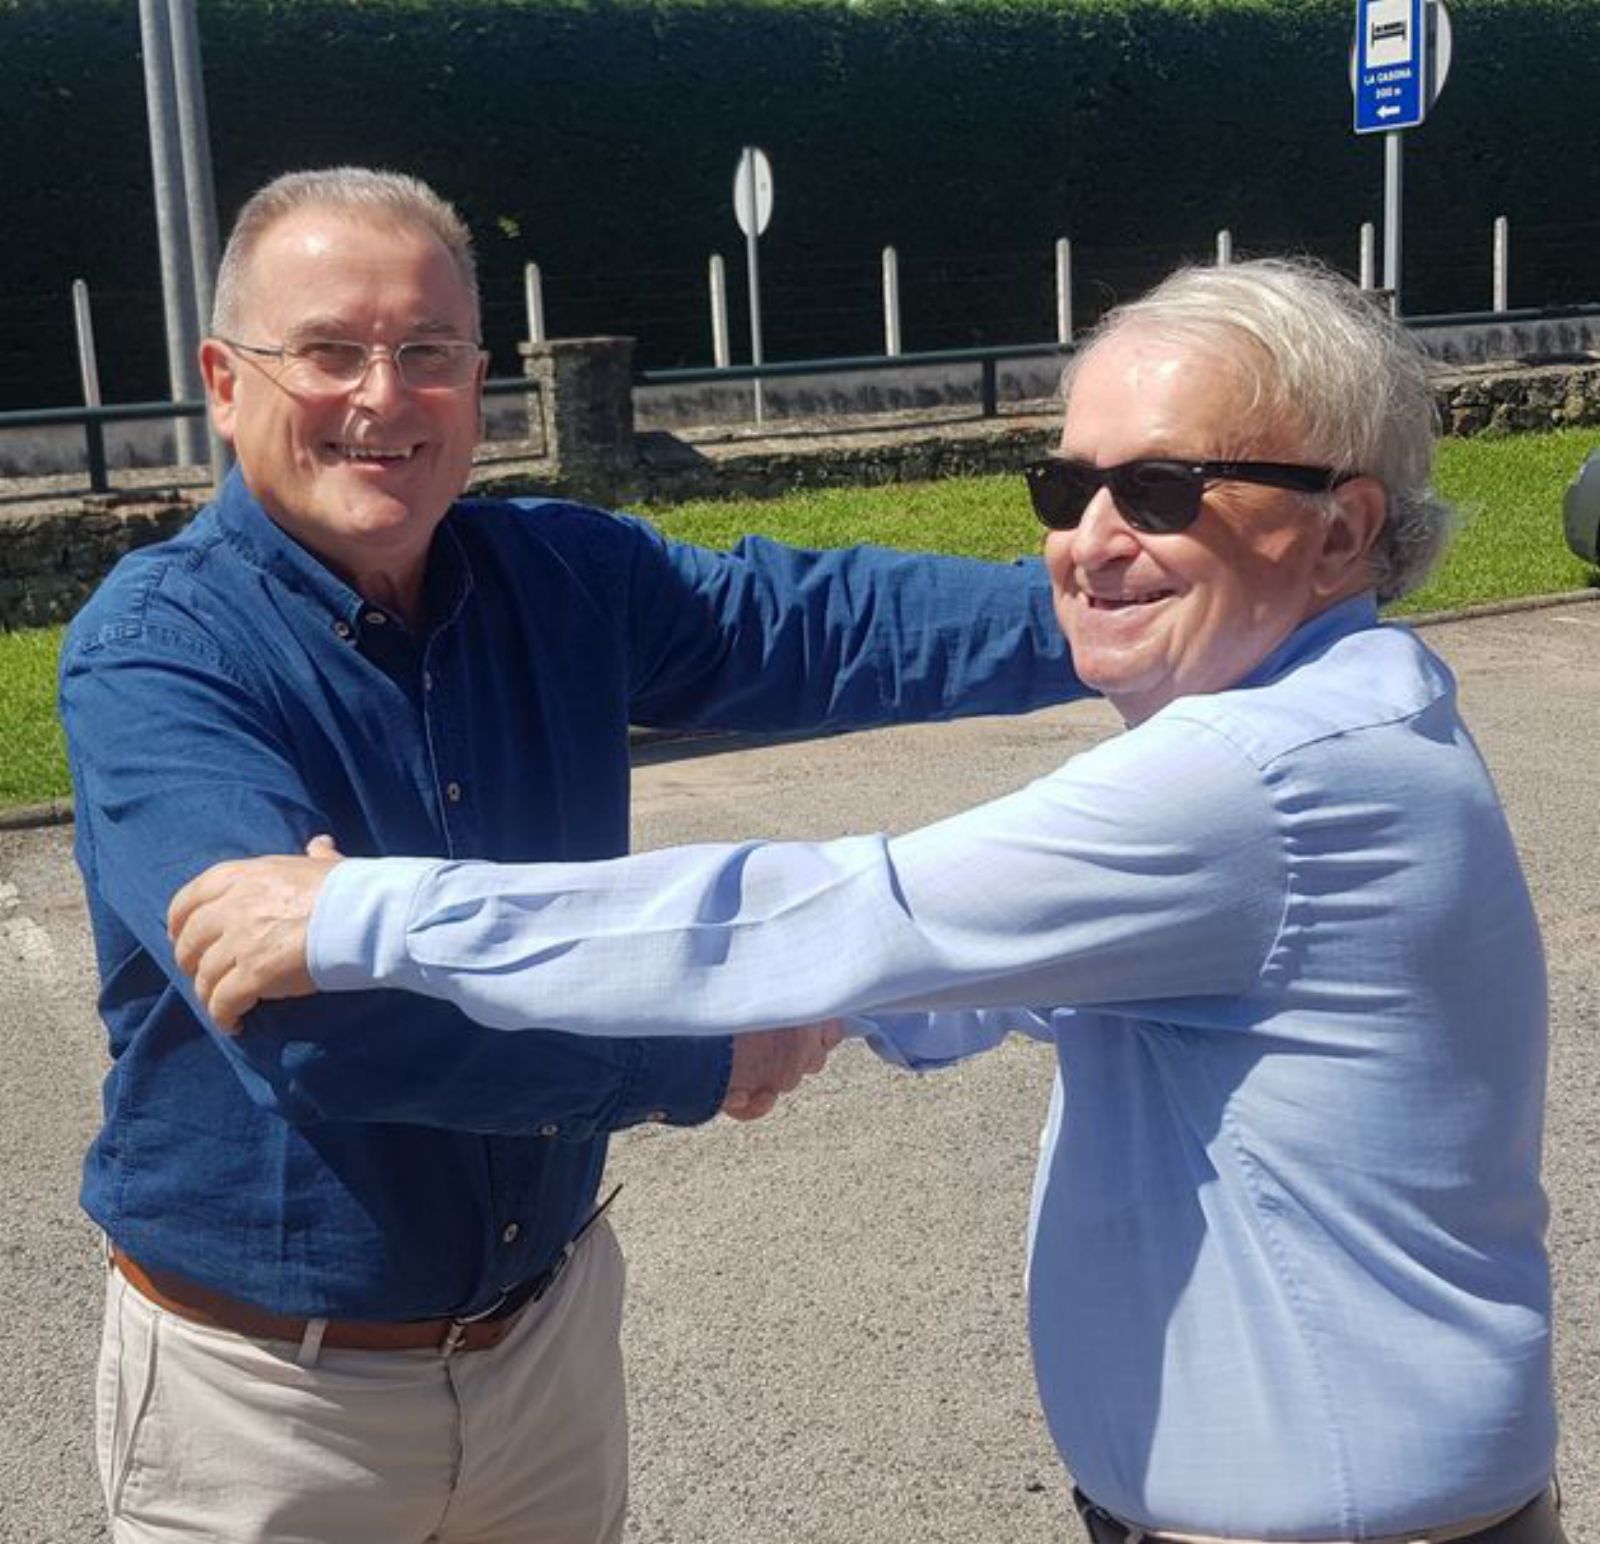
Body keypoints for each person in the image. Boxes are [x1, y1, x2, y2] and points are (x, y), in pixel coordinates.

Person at [173, 258, 1566, 1544]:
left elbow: (832, 912)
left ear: (1344, 531)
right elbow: (981, 971)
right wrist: (815, 1017)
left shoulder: (1253, 775)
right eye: (1063, 489)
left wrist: (360, 918)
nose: (1086, 542)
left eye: (1157, 492)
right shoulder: (1342, 724)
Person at [61, 165, 1087, 1544]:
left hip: (542, 1344)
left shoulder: (558, 579)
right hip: (267, 1404)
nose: (384, 397)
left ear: (480, 385)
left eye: (428, 355)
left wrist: (1112, 616)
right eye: (328, 352)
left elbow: (823, 624)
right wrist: (699, 1051)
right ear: (226, 381)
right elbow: (321, 1030)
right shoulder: (160, 654)